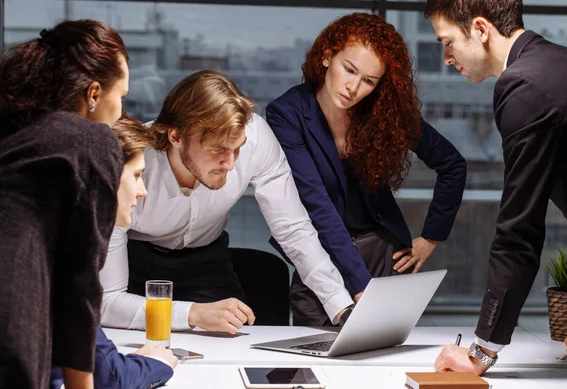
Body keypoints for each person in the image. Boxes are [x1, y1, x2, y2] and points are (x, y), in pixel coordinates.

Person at [424, 0, 567, 384]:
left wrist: (481, 351)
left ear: (481, 29)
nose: (447, 57)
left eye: (448, 42)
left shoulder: (523, 87)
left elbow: (519, 229)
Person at [100, 70, 355, 335]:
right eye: (217, 150)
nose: (231, 164)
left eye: (237, 149)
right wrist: (192, 313)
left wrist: (340, 305)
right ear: (176, 137)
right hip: (136, 264)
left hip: (206, 264)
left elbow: (292, 228)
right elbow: (107, 301)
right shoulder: (132, 169)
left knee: (233, 344)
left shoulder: (255, 138)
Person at [265, 12, 467, 326]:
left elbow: (453, 165)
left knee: (380, 362)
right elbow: (318, 206)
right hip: (321, 259)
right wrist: (360, 285)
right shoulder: (287, 113)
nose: (353, 87)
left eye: (369, 81)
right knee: (314, 359)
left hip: (383, 254)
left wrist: (431, 238)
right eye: (349, 70)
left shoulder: (384, 112)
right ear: (328, 56)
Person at [0, 20, 129, 389]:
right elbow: (80, 284)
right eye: (120, 96)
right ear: (92, 94)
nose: (121, 111)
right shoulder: (88, 142)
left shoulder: (16, 134)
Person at [50, 114, 177, 389]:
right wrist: (158, 363)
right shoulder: (66, 257)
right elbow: (109, 376)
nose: (142, 191)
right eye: (136, 176)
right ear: (106, 176)